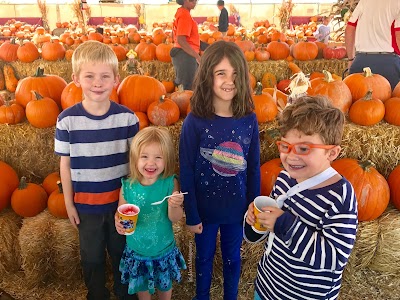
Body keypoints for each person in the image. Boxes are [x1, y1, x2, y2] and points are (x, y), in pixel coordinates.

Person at [244, 96, 358, 300]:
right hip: (268, 286)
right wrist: (254, 220)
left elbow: (334, 258)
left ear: (332, 153)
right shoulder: (285, 178)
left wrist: (284, 224)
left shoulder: (340, 196)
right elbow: (267, 232)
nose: (291, 156)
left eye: (304, 148)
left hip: (305, 295)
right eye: (285, 146)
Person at [55, 40, 139, 300]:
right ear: (76, 79)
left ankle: (125, 294)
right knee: (91, 257)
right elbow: (65, 164)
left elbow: (135, 164)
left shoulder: (127, 119)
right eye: (89, 76)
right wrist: (69, 203)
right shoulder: (67, 120)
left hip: (120, 205)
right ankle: (97, 294)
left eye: (105, 76)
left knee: (122, 254)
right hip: (86, 206)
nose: (98, 82)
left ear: (116, 79)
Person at [179, 40, 261, 300]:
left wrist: (253, 207)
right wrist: (191, 214)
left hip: (236, 211)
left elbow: (254, 167)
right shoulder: (195, 121)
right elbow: (187, 169)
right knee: (203, 259)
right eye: (221, 73)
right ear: (208, 77)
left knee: (232, 260)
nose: (229, 81)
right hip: (204, 212)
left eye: (236, 74)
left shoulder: (249, 119)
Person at [115, 127, 187, 300]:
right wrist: (118, 223)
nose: (151, 163)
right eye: (144, 157)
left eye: (158, 157)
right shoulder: (128, 186)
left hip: (163, 250)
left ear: (167, 159)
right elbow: (120, 214)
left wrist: (175, 204)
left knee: (164, 289)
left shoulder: (170, 184)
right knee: (143, 290)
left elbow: (175, 218)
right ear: (135, 158)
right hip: (137, 251)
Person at [345, 0, 400, 90]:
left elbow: (349, 29)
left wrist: (351, 59)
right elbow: (398, 36)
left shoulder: (364, 1)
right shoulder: (397, 2)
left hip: (361, 61)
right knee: (393, 100)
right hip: (389, 64)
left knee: (357, 101)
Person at [170, 0, 201, 90]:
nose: (194, 1)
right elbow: (181, 40)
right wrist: (197, 57)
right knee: (188, 89)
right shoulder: (185, 15)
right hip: (186, 56)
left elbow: (175, 36)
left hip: (182, 54)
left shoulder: (181, 12)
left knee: (184, 88)